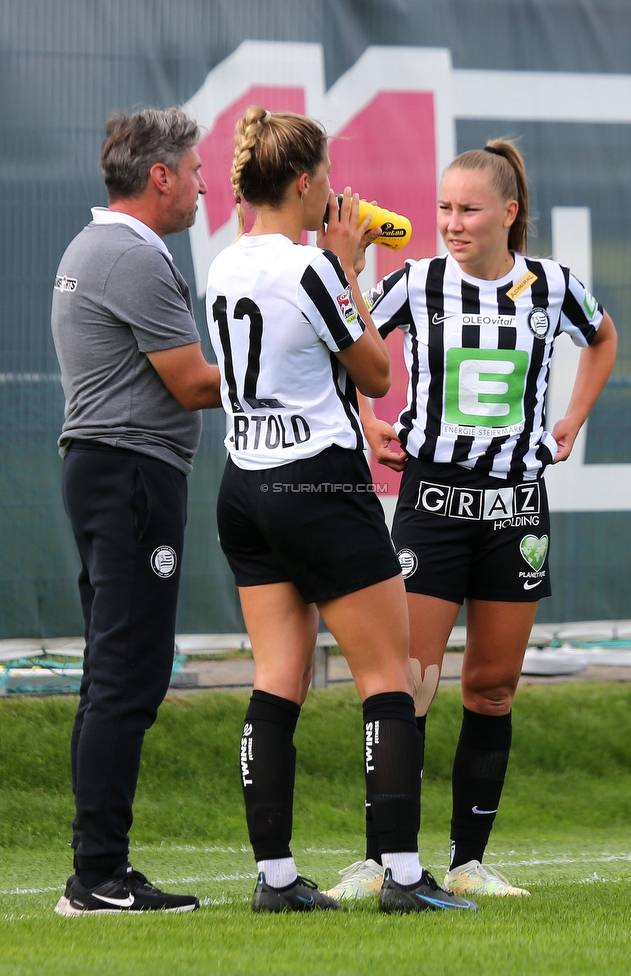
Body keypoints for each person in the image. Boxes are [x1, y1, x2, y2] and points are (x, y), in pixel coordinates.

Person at [326, 139, 617, 901]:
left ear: (509, 213)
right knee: (408, 685)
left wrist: (573, 419)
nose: (451, 224)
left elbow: (604, 337)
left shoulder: (552, 287)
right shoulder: (417, 282)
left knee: (491, 688)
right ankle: (383, 858)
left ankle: (468, 860)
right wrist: (366, 419)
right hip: (432, 502)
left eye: (468, 210)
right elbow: (350, 344)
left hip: (517, 508)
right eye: (444, 209)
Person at [205, 105, 478, 915]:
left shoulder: (224, 264)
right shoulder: (313, 267)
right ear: (302, 182)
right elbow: (375, 371)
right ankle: (401, 874)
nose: (335, 189)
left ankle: (277, 881)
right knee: (385, 676)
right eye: (324, 175)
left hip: (243, 486)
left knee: (276, 678)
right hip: (317, 486)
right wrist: (350, 265)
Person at [51, 108, 222, 915]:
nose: (201, 184)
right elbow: (193, 383)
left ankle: (99, 868)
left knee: (117, 669)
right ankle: (98, 877)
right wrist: (295, 365)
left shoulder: (95, 245)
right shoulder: (132, 254)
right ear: (160, 177)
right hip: (130, 477)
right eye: (192, 171)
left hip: (107, 471)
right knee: (128, 673)